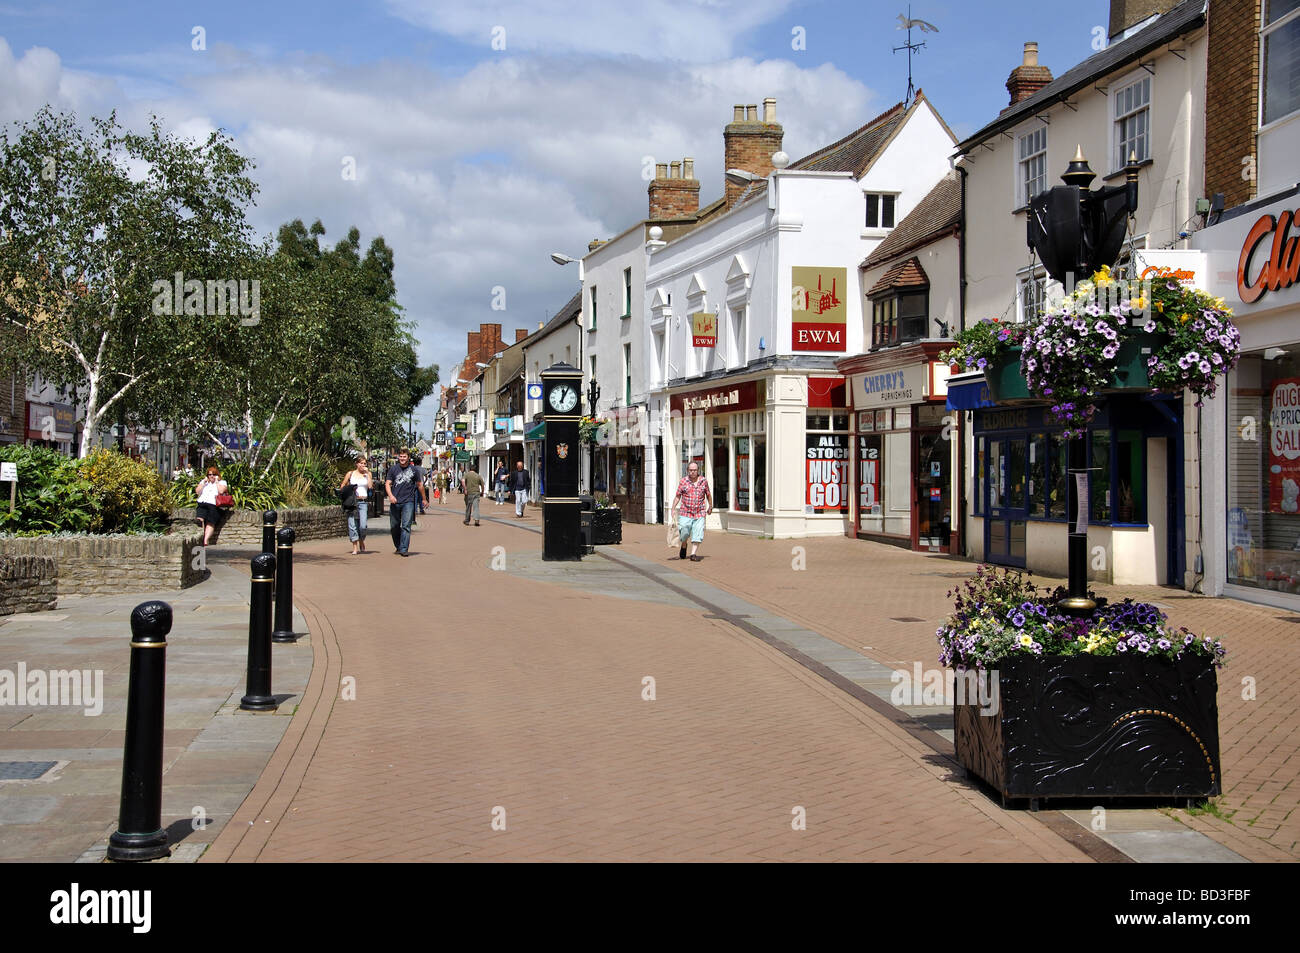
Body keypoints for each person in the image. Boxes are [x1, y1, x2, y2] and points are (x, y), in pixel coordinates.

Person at [384, 448, 427, 556]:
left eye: (404, 457)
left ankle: (404, 549)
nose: (402, 459)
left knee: (406, 526)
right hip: (395, 501)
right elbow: (387, 484)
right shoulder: (393, 469)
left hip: (408, 501)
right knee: (394, 526)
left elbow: (420, 485)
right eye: (401, 456)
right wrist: (390, 496)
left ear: (408, 458)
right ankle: (398, 546)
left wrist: (424, 499)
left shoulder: (414, 470)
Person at [671, 462, 712, 562]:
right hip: (686, 512)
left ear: (698, 470)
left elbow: (708, 494)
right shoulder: (683, 481)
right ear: (687, 471)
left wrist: (710, 506)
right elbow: (678, 496)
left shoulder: (703, 481)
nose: (693, 472)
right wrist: (673, 508)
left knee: (698, 532)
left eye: (694, 470)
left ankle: (693, 554)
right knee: (684, 530)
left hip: (699, 512)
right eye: (691, 470)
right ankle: (684, 544)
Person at [340, 455, 374, 555]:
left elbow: (370, 486)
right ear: (357, 464)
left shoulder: (368, 474)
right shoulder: (351, 474)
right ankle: (355, 547)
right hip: (352, 502)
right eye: (361, 463)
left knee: (363, 525)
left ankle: (361, 540)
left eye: (364, 463)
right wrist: (350, 490)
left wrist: (367, 474)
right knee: (352, 524)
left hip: (363, 501)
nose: (363, 465)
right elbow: (342, 486)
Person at [194, 465, 228, 546]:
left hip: (214, 505)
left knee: (210, 522)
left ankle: (205, 540)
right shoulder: (204, 483)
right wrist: (203, 482)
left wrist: (216, 482)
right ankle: (200, 539)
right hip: (202, 503)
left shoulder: (222, 482)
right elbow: (197, 491)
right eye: (209, 474)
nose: (211, 476)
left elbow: (221, 491)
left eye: (213, 474)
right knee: (199, 520)